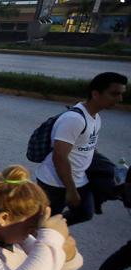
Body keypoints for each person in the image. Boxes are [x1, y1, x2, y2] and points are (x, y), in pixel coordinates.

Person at [35, 72, 128, 226]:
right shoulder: (74, 119)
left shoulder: (95, 117)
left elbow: (86, 147)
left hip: (79, 179)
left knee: (84, 213)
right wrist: (70, 190)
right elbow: (59, 156)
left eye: (121, 94)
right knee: (43, 224)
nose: (119, 99)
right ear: (96, 94)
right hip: (55, 184)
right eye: (114, 94)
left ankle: (54, 231)